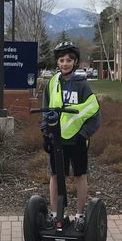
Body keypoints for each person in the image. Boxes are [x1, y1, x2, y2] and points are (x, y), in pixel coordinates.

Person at [41, 41, 100, 227]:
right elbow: (45, 110)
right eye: (61, 60)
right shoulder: (52, 84)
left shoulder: (82, 85)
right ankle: (56, 213)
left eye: (68, 60)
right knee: (55, 176)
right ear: (57, 62)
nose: (65, 63)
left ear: (75, 62)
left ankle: (80, 215)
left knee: (80, 175)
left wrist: (84, 134)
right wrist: (45, 134)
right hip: (56, 138)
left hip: (78, 139)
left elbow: (93, 112)